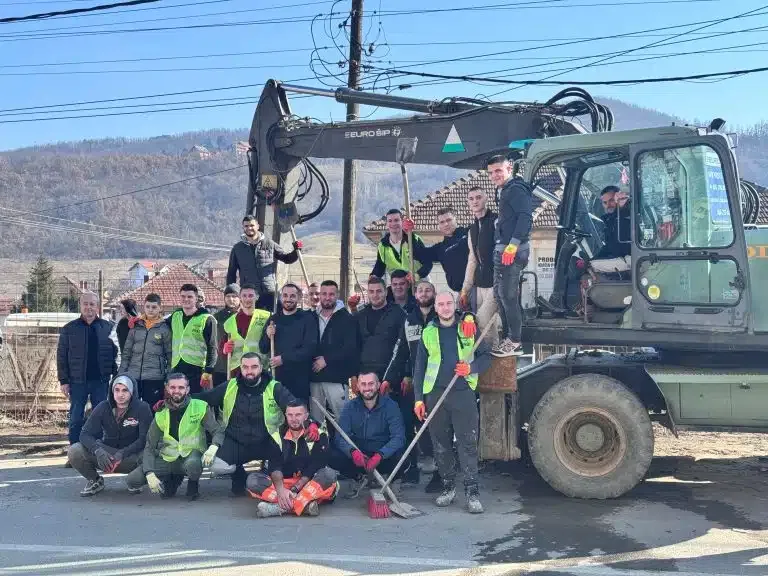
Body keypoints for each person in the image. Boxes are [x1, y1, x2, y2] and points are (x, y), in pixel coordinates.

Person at [412, 292, 492, 514]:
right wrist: (419, 399)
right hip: (436, 396)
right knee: (441, 445)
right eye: (441, 304)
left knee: (467, 444)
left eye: (449, 303)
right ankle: (448, 487)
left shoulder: (468, 327)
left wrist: (471, 368)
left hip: (463, 393)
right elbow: (419, 368)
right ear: (435, 308)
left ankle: (472, 492)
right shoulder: (428, 333)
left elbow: (486, 356)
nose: (445, 308)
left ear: (454, 305)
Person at [201, 353, 301, 496]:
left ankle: (266, 477)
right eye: (245, 367)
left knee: (285, 462)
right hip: (236, 442)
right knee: (217, 466)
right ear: (240, 368)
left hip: (268, 441)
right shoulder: (230, 386)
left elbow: (294, 406)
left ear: (261, 368)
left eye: (254, 367)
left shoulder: (275, 388)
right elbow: (205, 398)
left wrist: (311, 424)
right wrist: (176, 401)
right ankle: (239, 476)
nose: (249, 371)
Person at [381, 279, 440, 489]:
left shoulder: (441, 316)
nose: (424, 293)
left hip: (437, 385)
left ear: (434, 293)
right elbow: (401, 353)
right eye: (420, 290)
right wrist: (389, 378)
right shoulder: (410, 320)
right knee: (408, 425)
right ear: (415, 295)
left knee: (436, 428)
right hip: (415, 385)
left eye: (428, 290)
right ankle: (411, 468)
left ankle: (440, 474)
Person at [126, 373, 222, 501]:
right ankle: (171, 479)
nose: (177, 391)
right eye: (173, 387)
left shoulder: (199, 406)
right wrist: (149, 473)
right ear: (167, 388)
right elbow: (150, 445)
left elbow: (217, 430)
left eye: (181, 388)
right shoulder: (160, 412)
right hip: (168, 457)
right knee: (133, 480)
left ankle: (193, 483)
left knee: (193, 465)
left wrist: (213, 447)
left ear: (187, 389)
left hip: (191, 455)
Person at [247, 400, 338, 518]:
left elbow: (317, 465)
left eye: (298, 415)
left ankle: (279, 508)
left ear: (306, 416)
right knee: (253, 480)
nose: (294, 419)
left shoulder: (319, 434)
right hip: (285, 484)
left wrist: (296, 488)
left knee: (328, 474)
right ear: (285, 415)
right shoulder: (277, 435)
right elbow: (274, 465)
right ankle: (302, 505)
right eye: (290, 415)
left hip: (309, 483)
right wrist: (280, 490)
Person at [67, 374, 152, 497]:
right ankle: (95, 480)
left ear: (132, 391)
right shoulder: (103, 407)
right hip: (107, 456)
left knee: (152, 454)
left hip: (132, 457)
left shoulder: (142, 408)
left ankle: (136, 481)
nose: (120, 394)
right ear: (112, 391)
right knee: (75, 450)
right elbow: (85, 434)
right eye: (116, 390)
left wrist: (123, 453)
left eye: (125, 390)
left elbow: (144, 439)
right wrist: (98, 451)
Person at [57, 292, 118, 446]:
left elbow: (116, 355)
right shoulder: (69, 329)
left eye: (92, 304)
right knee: (76, 417)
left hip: (101, 381)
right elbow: (61, 356)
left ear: (97, 307)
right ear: (81, 305)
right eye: (86, 304)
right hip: (77, 381)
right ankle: (74, 451)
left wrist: (116, 378)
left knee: (100, 418)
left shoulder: (108, 328)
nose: (89, 307)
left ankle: (97, 451)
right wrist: (63, 381)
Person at [487, 154, 532, 357]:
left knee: (508, 295)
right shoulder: (504, 190)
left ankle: (515, 340)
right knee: (500, 295)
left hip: (511, 252)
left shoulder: (515, 189)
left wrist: (513, 245)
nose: (495, 175)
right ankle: (508, 337)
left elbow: (525, 217)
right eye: (491, 173)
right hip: (503, 250)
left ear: (509, 168)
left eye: (498, 170)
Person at [330, 371, 405, 481]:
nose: (367, 388)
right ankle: (358, 478)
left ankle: (387, 479)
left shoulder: (391, 406)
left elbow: (398, 437)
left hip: (382, 455)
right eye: (363, 384)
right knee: (331, 454)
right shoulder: (350, 407)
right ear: (358, 386)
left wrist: (380, 455)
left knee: (402, 456)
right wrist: (352, 452)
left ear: (378, 385)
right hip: (359, 456)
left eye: (371, 384)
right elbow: (340, 437)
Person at [226, 215, 302, 312]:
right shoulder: (237, 249)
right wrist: (230, 293)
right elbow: (231, 272)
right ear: (243, 228)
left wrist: (296, 251)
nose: (249, 228)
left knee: (277, 319)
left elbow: (287, 259)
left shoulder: (269, 244)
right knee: (253, 323)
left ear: (258, 226)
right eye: (246, 226)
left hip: (270, 292)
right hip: (250, 294)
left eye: (252, 225)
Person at [258, 283, 318, 403]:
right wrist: (267, 335)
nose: (288, 299)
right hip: (278, 378)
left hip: (300, 379)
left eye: (292, 296)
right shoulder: (273, 319)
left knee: (298, 415)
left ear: (298, 298)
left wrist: (283, 359)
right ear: (281, 298)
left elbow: (309, 349)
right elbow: (263, 348)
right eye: (285, 295)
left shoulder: (307, 319)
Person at [310, 280, 359, 425]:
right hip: (314, 378)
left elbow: (350, 348)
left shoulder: (347, 319)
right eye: (324, 293)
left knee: (341, 420)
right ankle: (320, 448)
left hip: (336, 378)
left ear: (337, 295)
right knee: (316, 421)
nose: (327, 297)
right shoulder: (311, 317)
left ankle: (346, 447)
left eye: (331, 294)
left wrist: (327, 359)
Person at [461, 185, 499, 347]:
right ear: (468, 203)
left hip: (497, 282)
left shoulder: (497, 220)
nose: (475, 201)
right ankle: (492, 364)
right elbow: (472, 260)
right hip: (480, 284)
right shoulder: (472, 228)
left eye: (478, 197)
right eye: (471, 199)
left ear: (486, 198)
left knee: (481, 321)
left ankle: (488, 360)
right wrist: (465, 289)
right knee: (490, 327)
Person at [118, 293, 172, 406]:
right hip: (133, 376)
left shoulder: (165, 329)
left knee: (152, 410)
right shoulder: (136, 326)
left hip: (155, 378)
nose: (150, 310)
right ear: (143, 307)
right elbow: (127, 353)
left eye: (154, 307)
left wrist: (168, 378)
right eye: (148, 307)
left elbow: (170, 355)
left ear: (160, 308)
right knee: (132, 410)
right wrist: (122, 374)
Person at [167, 284, 217, 393]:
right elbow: (158, 323)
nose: (186, 299)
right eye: (183, 296)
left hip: (197, 370)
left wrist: (208, 370)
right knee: (178, 401)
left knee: (197, 402)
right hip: (177, 367)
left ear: (196, 299)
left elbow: (212, 347)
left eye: (189, 297)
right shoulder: (175, 316)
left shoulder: (207, 319)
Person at [355, 276, 406, 381]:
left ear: (386, 292)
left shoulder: (398, 314)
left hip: (390, 375)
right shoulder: (360, 315)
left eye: (379, 291)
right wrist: (354, 376)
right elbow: (354, 346)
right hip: (364, 376)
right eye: (371, 291)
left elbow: (405, 347)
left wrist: (406, 375)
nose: (375, 295)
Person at [221, 283, 271, 379]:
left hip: (260, 369)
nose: (247, 299)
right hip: (237, 370)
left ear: (257, 297)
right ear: (240, 297)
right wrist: (225, 349)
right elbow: (222, 348)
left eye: (251, 296)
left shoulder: (267, 317)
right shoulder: (230, 322)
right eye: (244, 296)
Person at [370, 209, 432, 282]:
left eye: (396, 220)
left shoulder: (413, 239)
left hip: (420, 285)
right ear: (386, 224)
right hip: (399, 287)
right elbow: (380, 266)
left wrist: (418, 275)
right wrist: (373, 276)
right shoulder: (382, 246)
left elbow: (428, 263)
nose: (393, 224)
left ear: (402, 222)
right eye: (390, 221)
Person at [417, 207, 469, 293]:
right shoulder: (439, 249)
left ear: (456, 219)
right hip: (461, 293)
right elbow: (419, 253)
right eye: (442, 222)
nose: (446, 224)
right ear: (439, 225)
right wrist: (407, 232)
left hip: (478, 288)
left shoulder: (469, 234)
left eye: (449, 220)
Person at [590, 186, 631, 274]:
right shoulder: (605, 221)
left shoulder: (628, 214)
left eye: (611, 200)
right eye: (605, 202)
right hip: (614, 258)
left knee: (591, 266)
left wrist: (622, 205)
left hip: (627, 258)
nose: (608, 205)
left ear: (617, 198)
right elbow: (606, 246)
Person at [213, 284, 240, 387]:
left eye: (234, 296)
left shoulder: (244, 316)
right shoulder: (217, 317)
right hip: (221, 365)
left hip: (239, 364)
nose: (231, 299)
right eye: (228, 296)